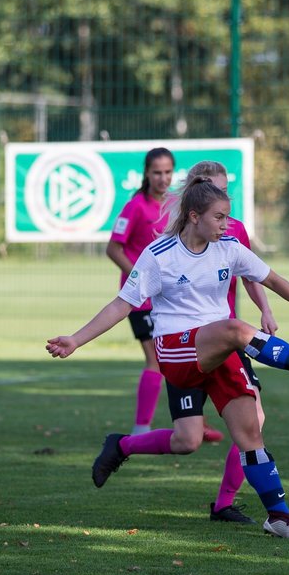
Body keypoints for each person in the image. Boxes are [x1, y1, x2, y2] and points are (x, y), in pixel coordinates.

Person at [47, 175, 289, 540]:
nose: (226, 224)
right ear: (193, 216)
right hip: (175, 351)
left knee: (240, 435)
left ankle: (278, 516)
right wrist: (76, 338)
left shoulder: (229, 247)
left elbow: (273, 279)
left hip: (214, 352)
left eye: (227, 217)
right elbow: (122, 304)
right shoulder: (160, 255)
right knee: (234, 329)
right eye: (219, 217)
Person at [177, 160, 274, 526]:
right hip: (187, 346)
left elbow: (253, 274)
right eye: (215, 192)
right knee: (186, 440)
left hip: (228, 340)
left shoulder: (232, 232)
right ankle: (123, 444)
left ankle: (225, 503)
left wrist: (265, 309)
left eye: (225, 191)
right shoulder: (171, 243)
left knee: (254, 419)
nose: (223, 201)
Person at [105, 147, 222, 443]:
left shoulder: (177, 205)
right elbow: (113, 248)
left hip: (173, 300)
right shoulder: (135, 207)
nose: (163, 178)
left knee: (191, 358)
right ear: (146, 173)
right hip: (142, 300)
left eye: (168, 172)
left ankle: (196, 423)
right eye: (157, 172)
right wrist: (141, 278)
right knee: (155, 361)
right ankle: (141, 427)